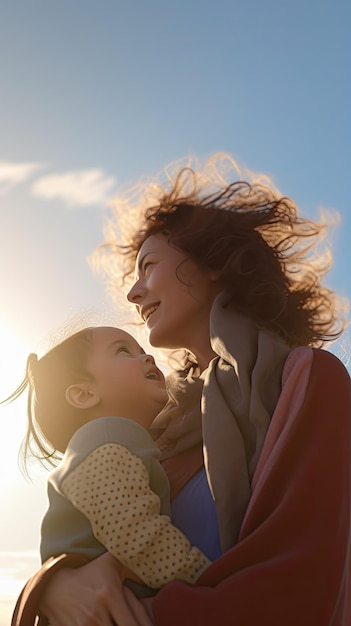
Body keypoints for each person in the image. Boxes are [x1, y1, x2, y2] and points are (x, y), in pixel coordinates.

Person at [11, 154, 351, 626]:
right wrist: (52, 586)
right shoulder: (155, 428)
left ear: (212, 264)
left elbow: (299, 586)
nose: (133, 294)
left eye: (148, 266)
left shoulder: (306, 381)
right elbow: (99, 542)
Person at [4, 326, 210, 594]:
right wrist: (206, 578)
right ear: (85, 395)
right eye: (123, 351)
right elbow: (134, 532)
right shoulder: (108, 435)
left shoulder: (112, 442)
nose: (147, 357)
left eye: (142, 350)